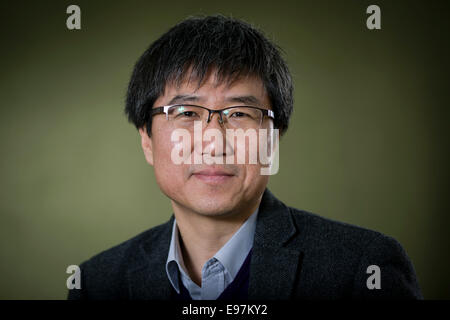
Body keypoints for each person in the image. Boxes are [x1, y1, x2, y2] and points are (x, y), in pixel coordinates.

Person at [68, 15, 422, 300]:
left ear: (273, 140)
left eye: (239, 114)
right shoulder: (98, 283)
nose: (214, 141)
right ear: (146, 139)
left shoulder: (362, 269)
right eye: (187, 113)